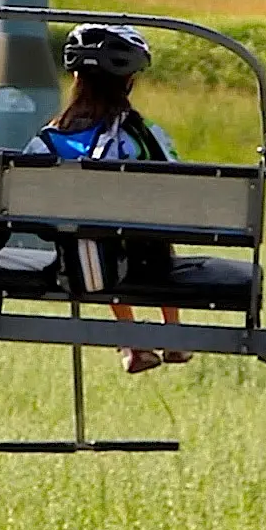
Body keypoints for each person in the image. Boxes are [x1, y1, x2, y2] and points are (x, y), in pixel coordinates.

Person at [23, 24, 193, 375]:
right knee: (151, 235)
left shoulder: (48, 140)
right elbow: (178, 192)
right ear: (129, 79)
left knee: (88, 238)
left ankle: (130, 340)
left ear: (74, 76)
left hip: (80, 267)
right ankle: (172, 333)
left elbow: (29, 203)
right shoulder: (145, 137)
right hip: (147, 258)